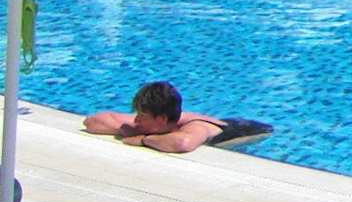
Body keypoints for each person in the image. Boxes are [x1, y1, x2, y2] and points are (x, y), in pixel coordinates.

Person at [84, 82, 270, 154]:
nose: (136, 121)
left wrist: (143, 140)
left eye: (142, 117)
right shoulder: (153, 118)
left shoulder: (196, 127)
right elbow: (92, 121)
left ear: (161, 120)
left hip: (250, 130)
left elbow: (183, 144)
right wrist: (124, 129)